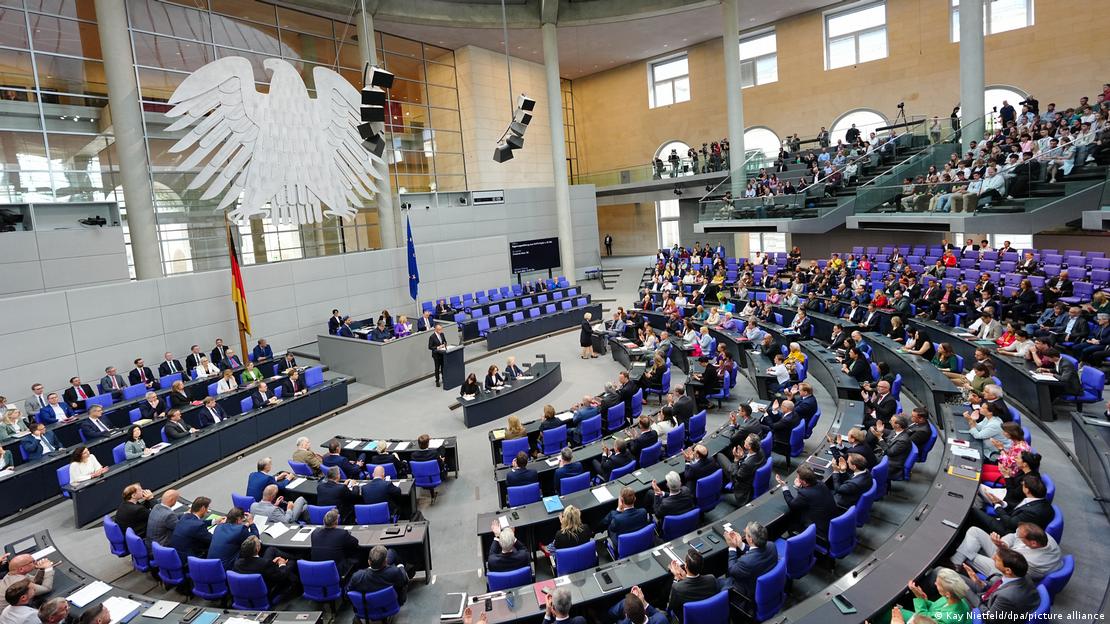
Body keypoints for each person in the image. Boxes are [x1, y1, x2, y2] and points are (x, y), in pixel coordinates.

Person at [951, 522, 1060, 584]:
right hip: (1006, 553)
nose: (1017, 536)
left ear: (1033, 543)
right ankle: (956, 562)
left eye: (1020, 537)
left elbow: (1001, 561)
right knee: (974, 531)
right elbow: (1013, 536)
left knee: (969, 554)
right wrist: (1004, 543)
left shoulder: (1032, 561)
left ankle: (955, 564)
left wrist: (1000, 548)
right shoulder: (1044, 537)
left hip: (1006, 571)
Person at [969, 547, 1041, 618]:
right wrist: (980, 583)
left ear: (1008, 570)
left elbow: (990, 618)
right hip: (989, 597)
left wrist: (967, 592)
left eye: (997, 559)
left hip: (987, 609)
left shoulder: (1006, 596)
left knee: (961, 589)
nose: (993, 558)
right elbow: (1000, 584)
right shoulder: (1022, 575)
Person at [971, 475, 1053, 534]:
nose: (1021, 487)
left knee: (972, 510)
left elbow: (1010, 523)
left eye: (1023, 485)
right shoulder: (1038, 501)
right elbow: (1017, 509)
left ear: (1027, 490)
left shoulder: (1033, 512)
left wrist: (997, 505)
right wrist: (1002, 503)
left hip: (1006, 531)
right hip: (1009, 520)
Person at [719, 521, 778, 601]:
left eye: (746, 533)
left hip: (750, 590)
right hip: (769, 585)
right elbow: (756, 551)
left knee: (717, 582)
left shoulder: (746, 562)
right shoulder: (771, 545)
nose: (744, 531)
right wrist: (740, 544)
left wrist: (732, 547)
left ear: (750, 539)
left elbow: (732, 570)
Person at [776, 465, 837, 539]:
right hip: (831, 522)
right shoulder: (820, 483)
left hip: (820, 530)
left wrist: (784, 487)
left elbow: (792, 504)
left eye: (798, 478)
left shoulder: (804, 493)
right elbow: (810, 493)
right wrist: (800, 487)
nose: (796, 479)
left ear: (804, 482)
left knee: (792, 522)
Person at [234, 536, 298, 599]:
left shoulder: (237, 563)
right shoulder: (265, 564)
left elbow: (260, 567)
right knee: (291, 562)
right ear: (257, 549)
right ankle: (298, 559)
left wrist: (272, 563)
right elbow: (281, 575)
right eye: (258, 542)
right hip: (264, 592)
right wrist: (282, 564)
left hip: (245, 592)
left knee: (270, 549)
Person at [666, 550, 718, 622]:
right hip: (709, 614)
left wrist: (676, 578)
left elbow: (671, 606)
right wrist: (685, 577)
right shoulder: (711, 579)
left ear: (686, 566)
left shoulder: (677, 588)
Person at [170, 497, 221, 562]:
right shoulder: (198, 526)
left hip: (179, 555)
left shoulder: (185, 517)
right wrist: (221, 527)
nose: (208, 511)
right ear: (203, 508)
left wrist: (215, 521)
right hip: (191, 560)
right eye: (208, 508)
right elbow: (213, 540)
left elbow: (198, 523)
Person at [310, 509, 360, 575]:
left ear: (323, 521)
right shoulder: (342, 534)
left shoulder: (314, 533)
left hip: (317, 571)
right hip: (335, 572)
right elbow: (355, 542)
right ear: (336, 522)